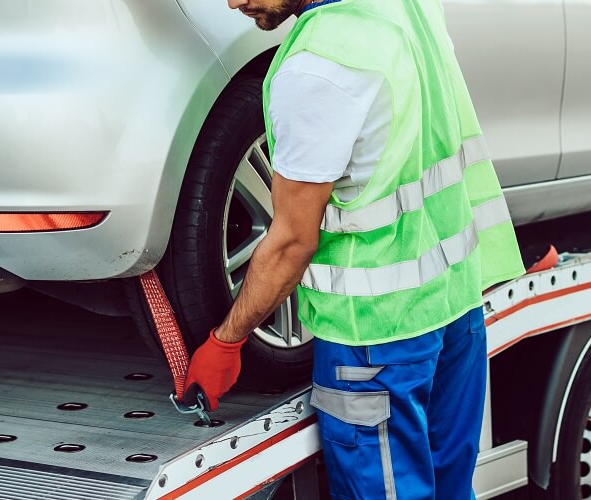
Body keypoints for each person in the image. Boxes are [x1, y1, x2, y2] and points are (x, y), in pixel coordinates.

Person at [182, 0, 526, 496]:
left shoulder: (317, 67)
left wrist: (227, 340)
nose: (234, 1)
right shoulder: (407, 9)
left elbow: (290, 242)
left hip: (375, 339)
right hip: (454, 310)